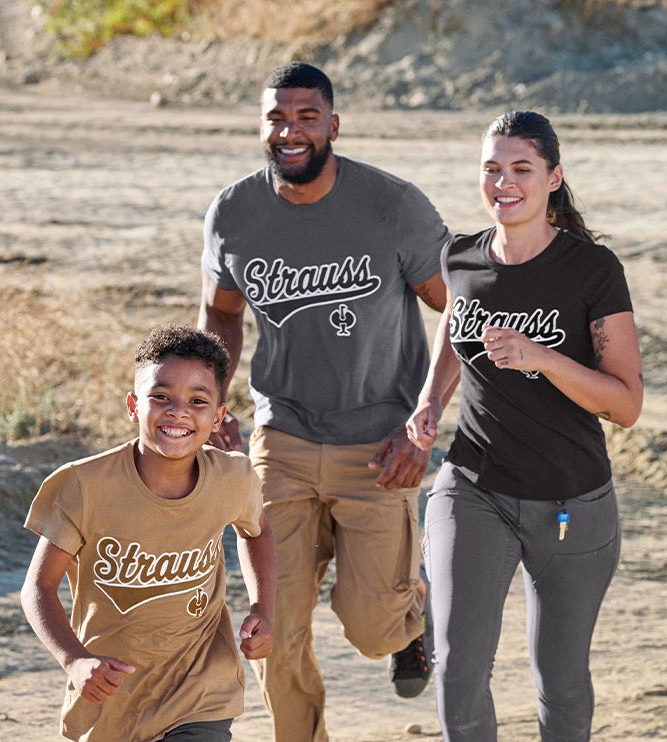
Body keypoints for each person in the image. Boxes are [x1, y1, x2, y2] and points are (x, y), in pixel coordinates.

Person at [198, 61, 451, 741]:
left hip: (380, 445)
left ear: (334, 125)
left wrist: (422, 426)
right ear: (261, 127)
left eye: (307, 117)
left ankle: (408, 615)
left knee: (369, 630)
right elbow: (220, 316)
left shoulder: (392, 206)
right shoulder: (234, 211)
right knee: (272, 627)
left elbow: (461, 311)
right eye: (277, 118)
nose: (290, 131)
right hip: (278, 437)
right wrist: (208, 402)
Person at [406, 110, 644, 742]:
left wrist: (542, 357)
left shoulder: (593, 270)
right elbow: (457, 330)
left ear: (553, 177)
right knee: (459, 668)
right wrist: (431, 398)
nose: (503, 183)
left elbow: (625, 404)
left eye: (520, 169)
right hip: (473, 485)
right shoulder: (459, 256)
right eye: (491, 169)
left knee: (561, 680)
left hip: (572, 500)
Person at [21, 323, 276, 742]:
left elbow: (256, 532)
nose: (178, 411)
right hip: (111, 696)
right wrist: (75, 661)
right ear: (133, 406)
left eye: (198, 401)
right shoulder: (84, 486)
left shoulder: (233, 478)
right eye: (161, 396)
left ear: (217, 417)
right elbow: (38, 588)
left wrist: (263, 609)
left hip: (201, 691)